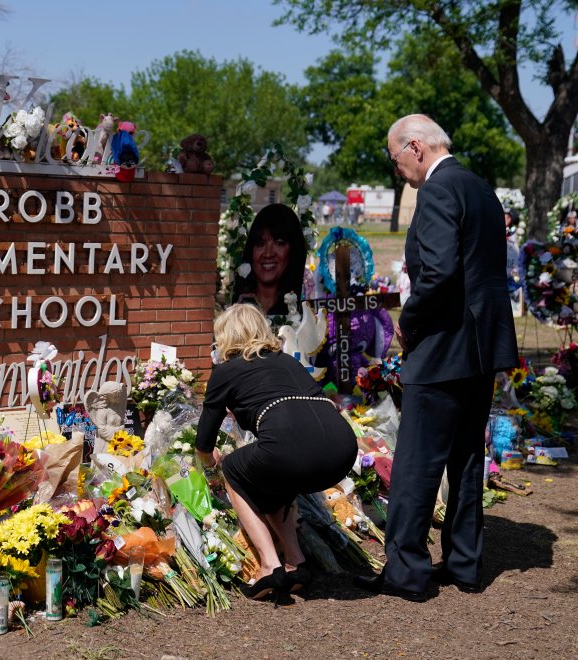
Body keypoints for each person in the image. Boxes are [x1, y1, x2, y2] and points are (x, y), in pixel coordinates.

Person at [356, 114, 518, 602]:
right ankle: (465, 563)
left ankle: (407, 571)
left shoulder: (437, 189)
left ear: (416, 147)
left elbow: (442, 270)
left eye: (395, 157)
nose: (397, 169)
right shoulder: (481, 188)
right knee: (467, 456)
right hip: (481, 344)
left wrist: (411, 319)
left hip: (445, 343)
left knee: (417, 461)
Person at [195, 304, 357, 602]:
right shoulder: (287, 362)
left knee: (234, 469)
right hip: (343, 448)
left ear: (226, 336)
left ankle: (270, 566)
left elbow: (204, 442)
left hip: (292, 450)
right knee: (272, 474)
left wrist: (209, 464)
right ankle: (297, 563)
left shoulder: (225, 371)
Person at [233, 203, 308, 316]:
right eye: (260, 244)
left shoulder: (306, 305)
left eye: (279, 243)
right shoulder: (237, 306)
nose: (268, 254)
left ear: (293, 250)